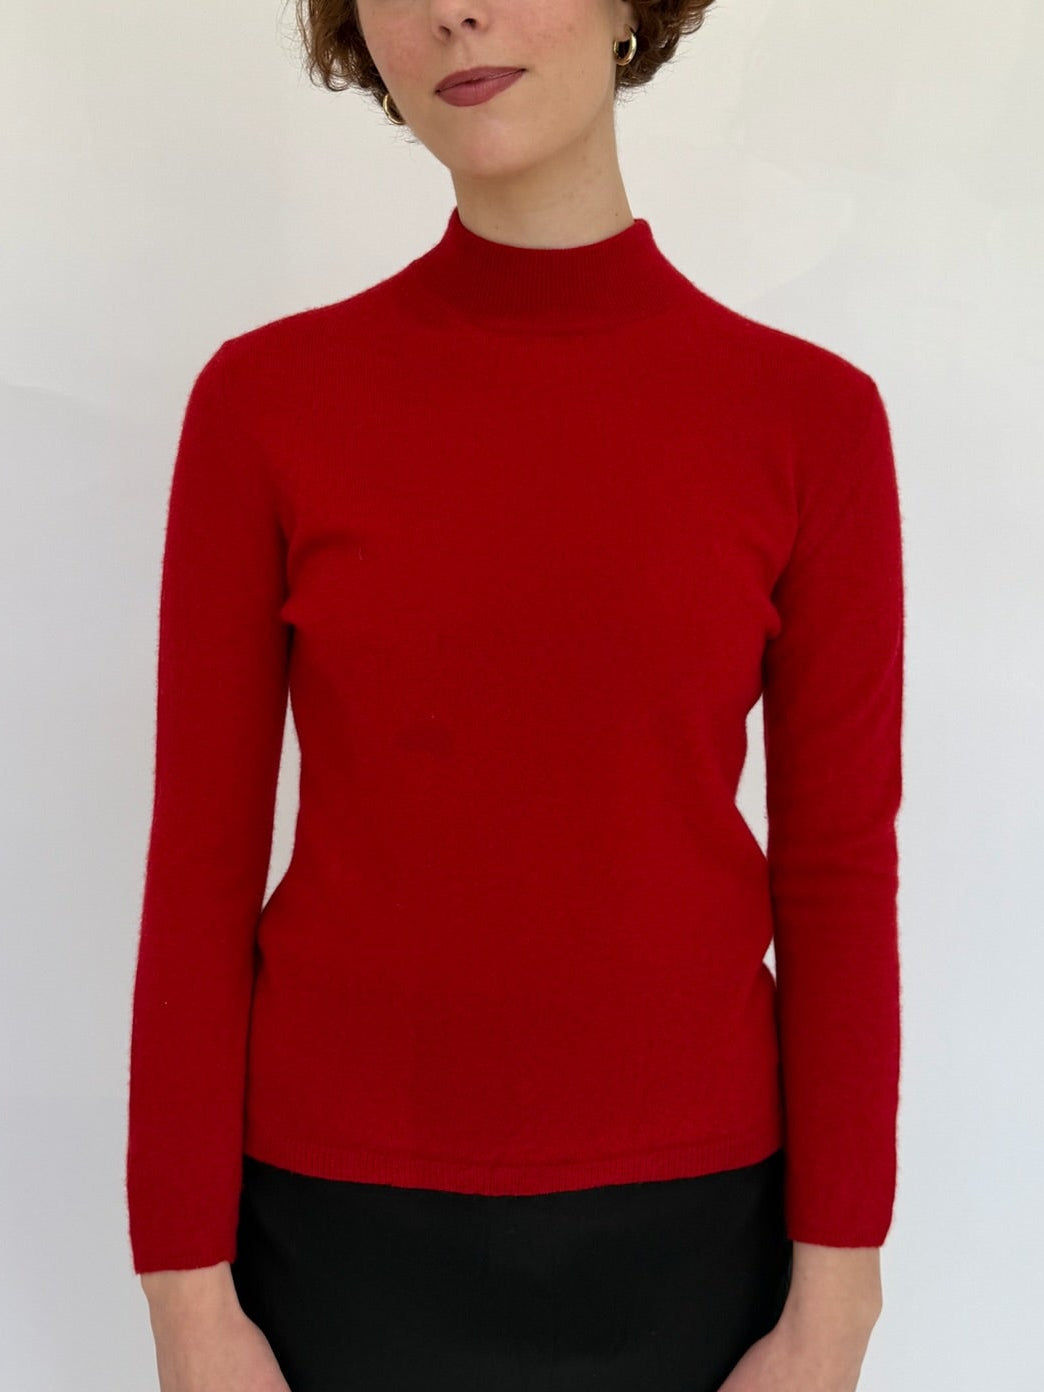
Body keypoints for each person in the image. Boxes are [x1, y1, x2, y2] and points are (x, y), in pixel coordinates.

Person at [126, 2, 905, 1390]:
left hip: (697, 1234)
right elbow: (199, 865)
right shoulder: (266, 404)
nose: (454, 10)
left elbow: (837, 874)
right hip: (330, 1231)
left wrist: (836, 1300)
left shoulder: (809, 421)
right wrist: (187, 1302)